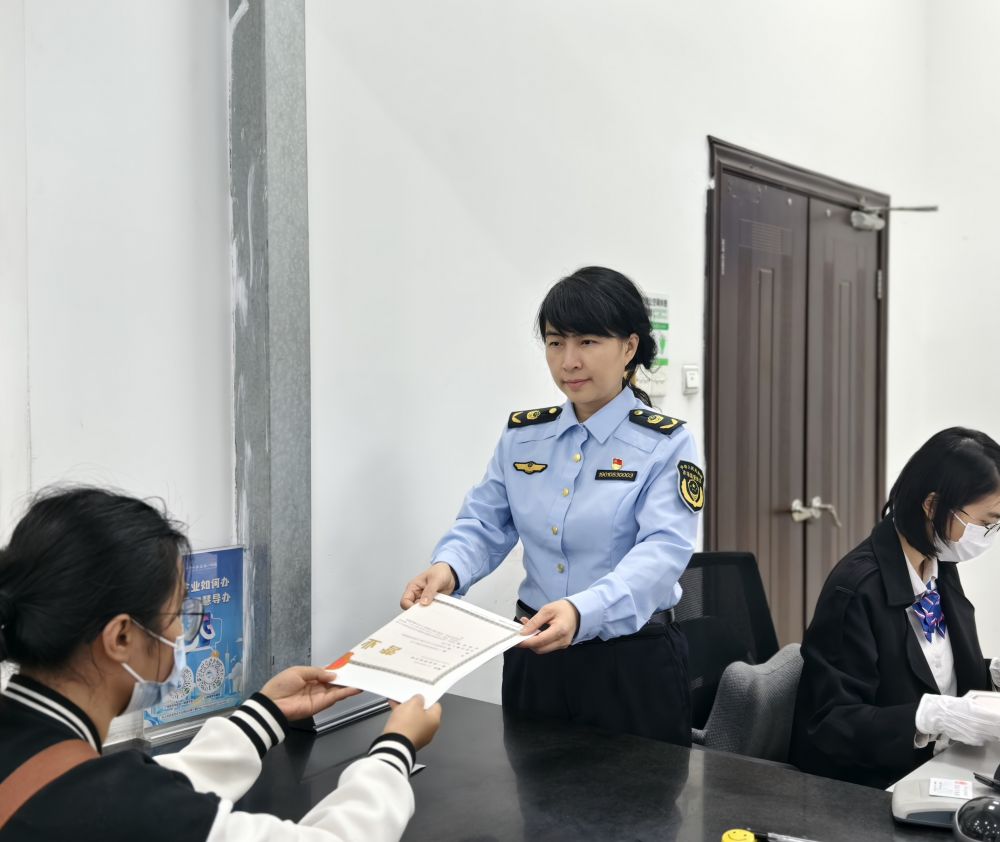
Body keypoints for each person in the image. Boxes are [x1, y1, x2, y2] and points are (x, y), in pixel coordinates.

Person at [0, 486, 442, 842]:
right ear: (120, 638)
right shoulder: (122, 807)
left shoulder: (34, 749)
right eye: (177, 613)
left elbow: (146, 788)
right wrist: (396, 748)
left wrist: (264, 713)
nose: (181, 633)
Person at [400, 266, 703, 744]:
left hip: (630, 661)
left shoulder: (665, 443)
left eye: (588, 342)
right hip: (534, 651)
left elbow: (662, 552)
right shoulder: (525, 436)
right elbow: (486, 521)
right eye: (556, 342)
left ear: (629, 347)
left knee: (641, 794)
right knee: (530, 789)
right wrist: (449, 568)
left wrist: (583, 612)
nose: (569, 361)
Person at [790, 427, 1000, 789]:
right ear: (933, 506)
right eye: (985, 523)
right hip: (873, 787)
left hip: (941, 763)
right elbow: (832, 724)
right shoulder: (857, 588)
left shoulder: (940, 564)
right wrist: (928, 716)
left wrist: (992, 673)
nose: (989, 534)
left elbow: (935, 669)